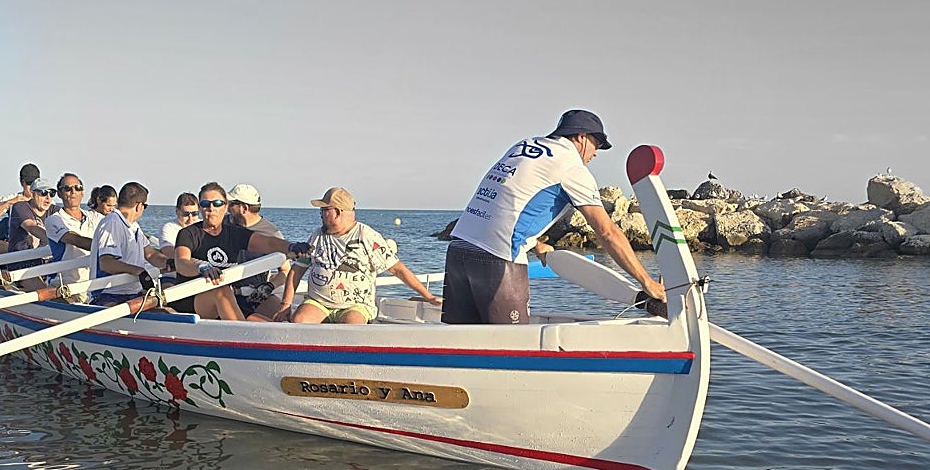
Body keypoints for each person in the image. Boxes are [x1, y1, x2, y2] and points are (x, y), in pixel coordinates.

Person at [443, 109, 665, 325]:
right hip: (499, 259)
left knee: (461, 340)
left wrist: (535, 244)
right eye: (596, 144)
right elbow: (607, 232)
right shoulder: (572, 167)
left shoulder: (523, 146)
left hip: (459, 248)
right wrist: (647, 283)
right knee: (512, 348)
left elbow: (508, 200)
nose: (596, 153)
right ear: (581, 137)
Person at [282, 187, 440, 324]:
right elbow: (297, 270)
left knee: (353, 327)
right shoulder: (317, 236)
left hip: (356, 305)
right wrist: (286, 304)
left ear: (337, 212)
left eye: (324, 210)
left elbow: (398, 269)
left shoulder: (367, 236)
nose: (321, 215)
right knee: (299, 321)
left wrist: (428, 296)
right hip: (319, 302)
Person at [173, 182, 296, 321]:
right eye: (205, 204)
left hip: (229, 299)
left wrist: (292, 247)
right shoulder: (188, 234)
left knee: (273, 326)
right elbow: (181, 263)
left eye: (217, 203)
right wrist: (201, 268)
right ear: (200, 208)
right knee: (221, 290)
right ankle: (240, 336)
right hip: (191, 298)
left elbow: (269, 242)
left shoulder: (236, 233)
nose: (211, 208)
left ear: (225, 206)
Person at [88, 182, 169, 306]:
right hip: (108, 294)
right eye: (144, 206)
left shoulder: (134, 226)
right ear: (139, 206)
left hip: (133, 293)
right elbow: (106, 263)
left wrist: (170, 263)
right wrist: (139, 271)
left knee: (167, 311)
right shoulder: (111, 223)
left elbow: (150, 254)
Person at [45, 173, 102, 284]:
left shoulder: (95, 217)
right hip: (64, 284)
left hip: (92, 283)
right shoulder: (54, 220)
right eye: (67, 188)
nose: (73, 192)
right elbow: (75, 239)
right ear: (60, 194)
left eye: (78, 188)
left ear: (82, 193)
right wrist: (104, 248)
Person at [160, 192, 200, 258]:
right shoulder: (169, 228)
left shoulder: (203, 225)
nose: (190, 219)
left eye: (194, 214)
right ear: (177, 211)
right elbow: (167, 250)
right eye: (186, 214)